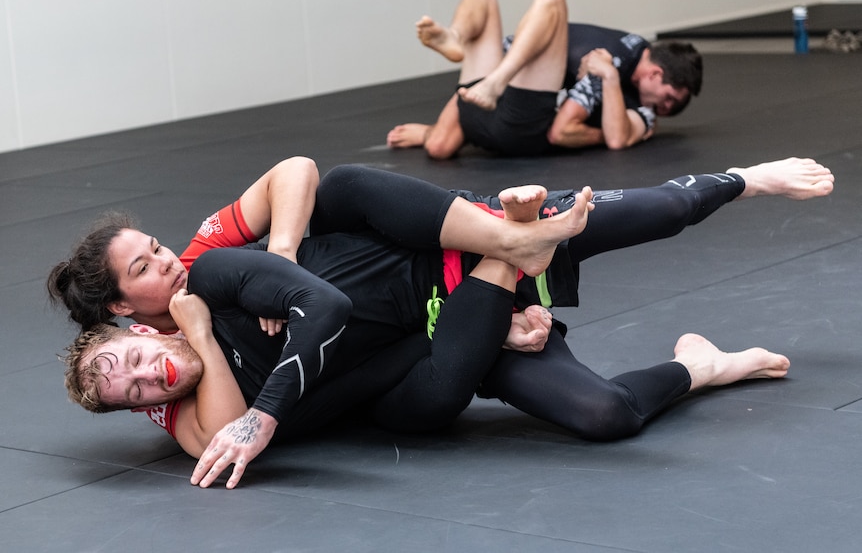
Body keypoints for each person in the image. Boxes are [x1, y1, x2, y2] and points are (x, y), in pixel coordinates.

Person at [50, 157, 832, 488]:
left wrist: (280, 255)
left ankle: (743, 178)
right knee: (605, 415)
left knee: (660, 210)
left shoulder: (207, 268)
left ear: (137, 330)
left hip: (440, 241)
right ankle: (702, 362)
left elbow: (302, 194)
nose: (165, 261)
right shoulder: (189, 406)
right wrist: (492, 325)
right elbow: (207, 418)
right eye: (135, 391)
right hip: (453, 327)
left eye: (155, 251)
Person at [385, 0, 702, 157]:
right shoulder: (617, 62)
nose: (666, 110)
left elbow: (615, 137)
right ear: (655, 74)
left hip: (513, 108)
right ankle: (456, 37)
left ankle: (491, 75)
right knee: (439, 146)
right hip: (499, 96)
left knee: (548, 0)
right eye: (670, 100)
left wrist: (607, 82)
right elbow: (582, 133)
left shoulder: (638, 110)